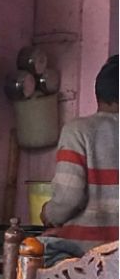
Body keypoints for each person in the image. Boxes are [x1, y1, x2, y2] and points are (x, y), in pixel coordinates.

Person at [40, 56, 118, 263]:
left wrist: (49, 214)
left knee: (40, 253)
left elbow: (68, 198)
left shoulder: (79, 131)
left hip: (90, 260)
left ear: (100, 95)